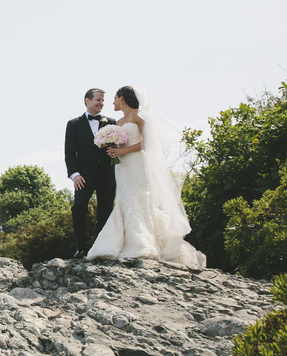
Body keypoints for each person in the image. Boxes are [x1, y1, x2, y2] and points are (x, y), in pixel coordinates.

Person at [86, 86, 205, 267]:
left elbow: (148, 142)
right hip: (122, 167)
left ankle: (142, 243)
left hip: (136, 164)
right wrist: (113, 149)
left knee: (139, 199)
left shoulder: (138, 116)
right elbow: (120, 144)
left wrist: (124, 150)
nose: (112, 102)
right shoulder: (118, 122)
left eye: (115, 98)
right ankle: (120, 243)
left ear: (122, 98)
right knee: (124, 200)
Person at [64, 88, 116, 258]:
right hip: (84, 176)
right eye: (98, 100)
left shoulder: (111, 122)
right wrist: (75, 174)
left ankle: (99, 249)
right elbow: (70, 152)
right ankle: (80, 248)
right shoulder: (73, 124)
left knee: (105, 212)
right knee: (78, 208)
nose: (101, 103)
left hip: (107, 175)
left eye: (103, 101)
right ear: (87, 100)